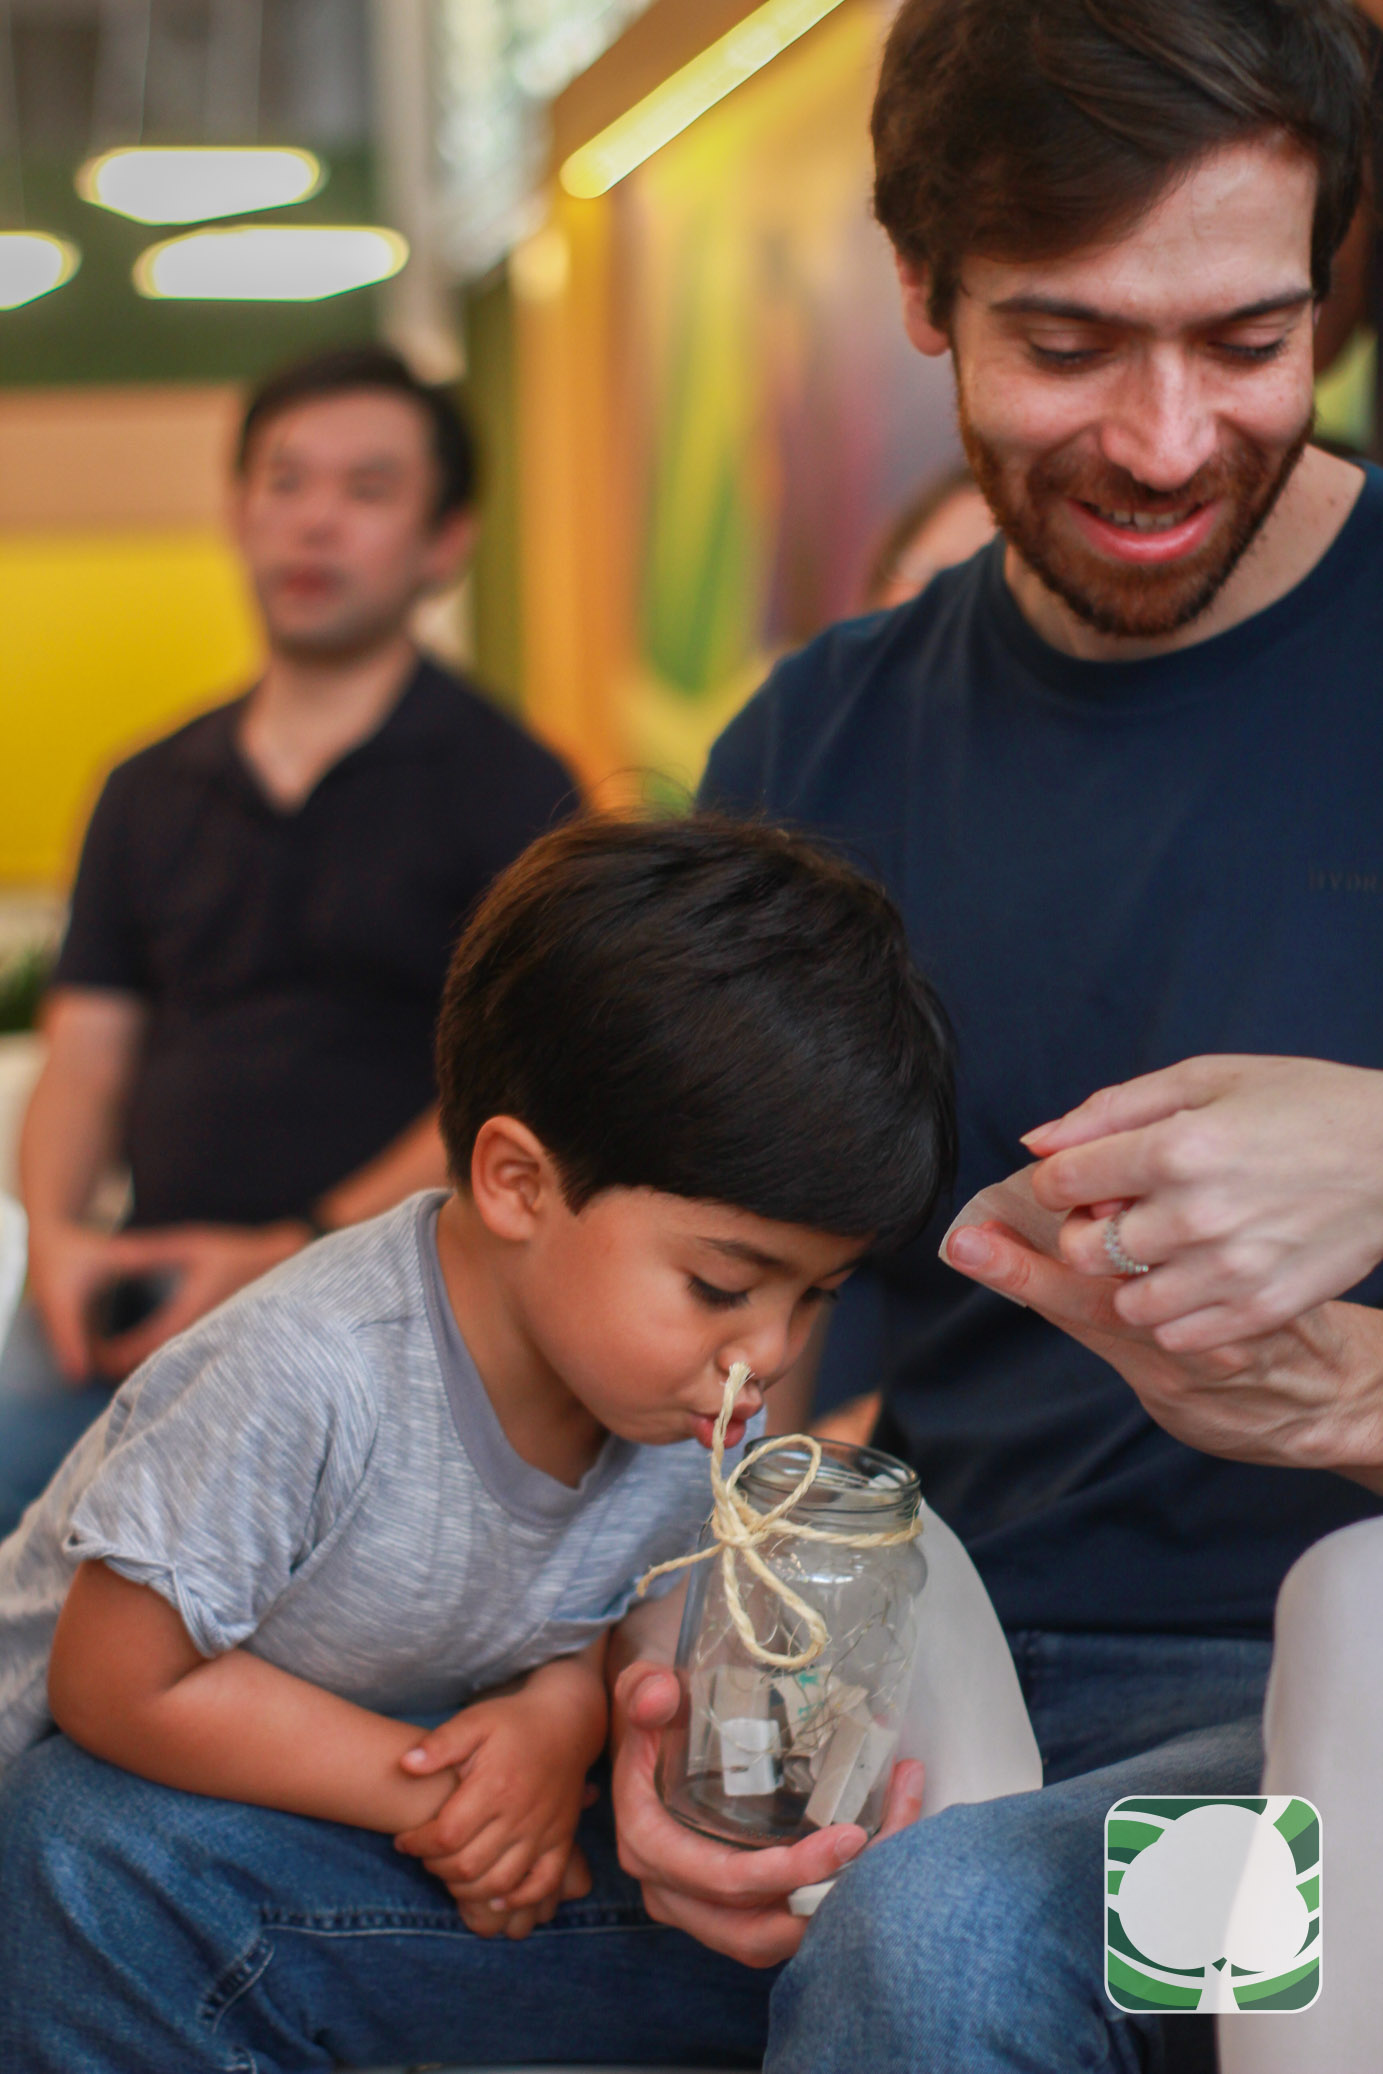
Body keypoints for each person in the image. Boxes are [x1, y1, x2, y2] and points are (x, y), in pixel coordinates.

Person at [600, 3, 1383, 2068]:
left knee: (945, 1932)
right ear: (922, 292)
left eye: (1246, 340)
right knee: (115, 1851)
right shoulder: (811, 744)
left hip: (1326, 1729)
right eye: (1064, 342)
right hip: (933, 1663)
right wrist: (650, 1685)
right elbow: (710, 1380)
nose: (1162, 440)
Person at [0, 811, 957, 2073]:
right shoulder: (309, 1369)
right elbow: (118, 1683)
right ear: (516, 1183)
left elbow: (607, 1602)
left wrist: (557, 1717)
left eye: (817, 1295)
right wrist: (456, 1797)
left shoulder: (682, 1395)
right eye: (725, 1284)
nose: (770, 1350)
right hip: (106, 1830)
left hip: (350, 1794)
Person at [0, 345, 577, 1538]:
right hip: (149, 1293)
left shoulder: (517, 790)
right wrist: (54, 1237)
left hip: (399, 1309)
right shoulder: (145, 788)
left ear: (445, 541)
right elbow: (86, 1055)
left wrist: (292, 1250)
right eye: (285, 480)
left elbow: (515, 1093)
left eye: (367, 490)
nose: (315, 520)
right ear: (238, 510)